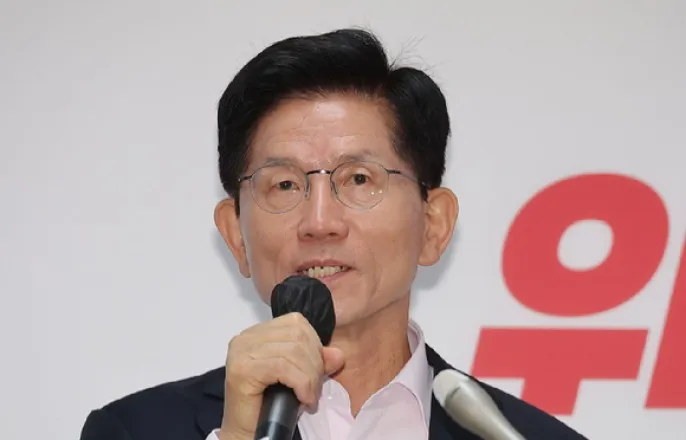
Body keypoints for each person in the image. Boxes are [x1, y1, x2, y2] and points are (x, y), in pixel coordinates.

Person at [79, 28, 588, 440]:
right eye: (284, 184)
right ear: (235, 236)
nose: (319, 221)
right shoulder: (132, 432)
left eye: (359, 180)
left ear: (433, 224)